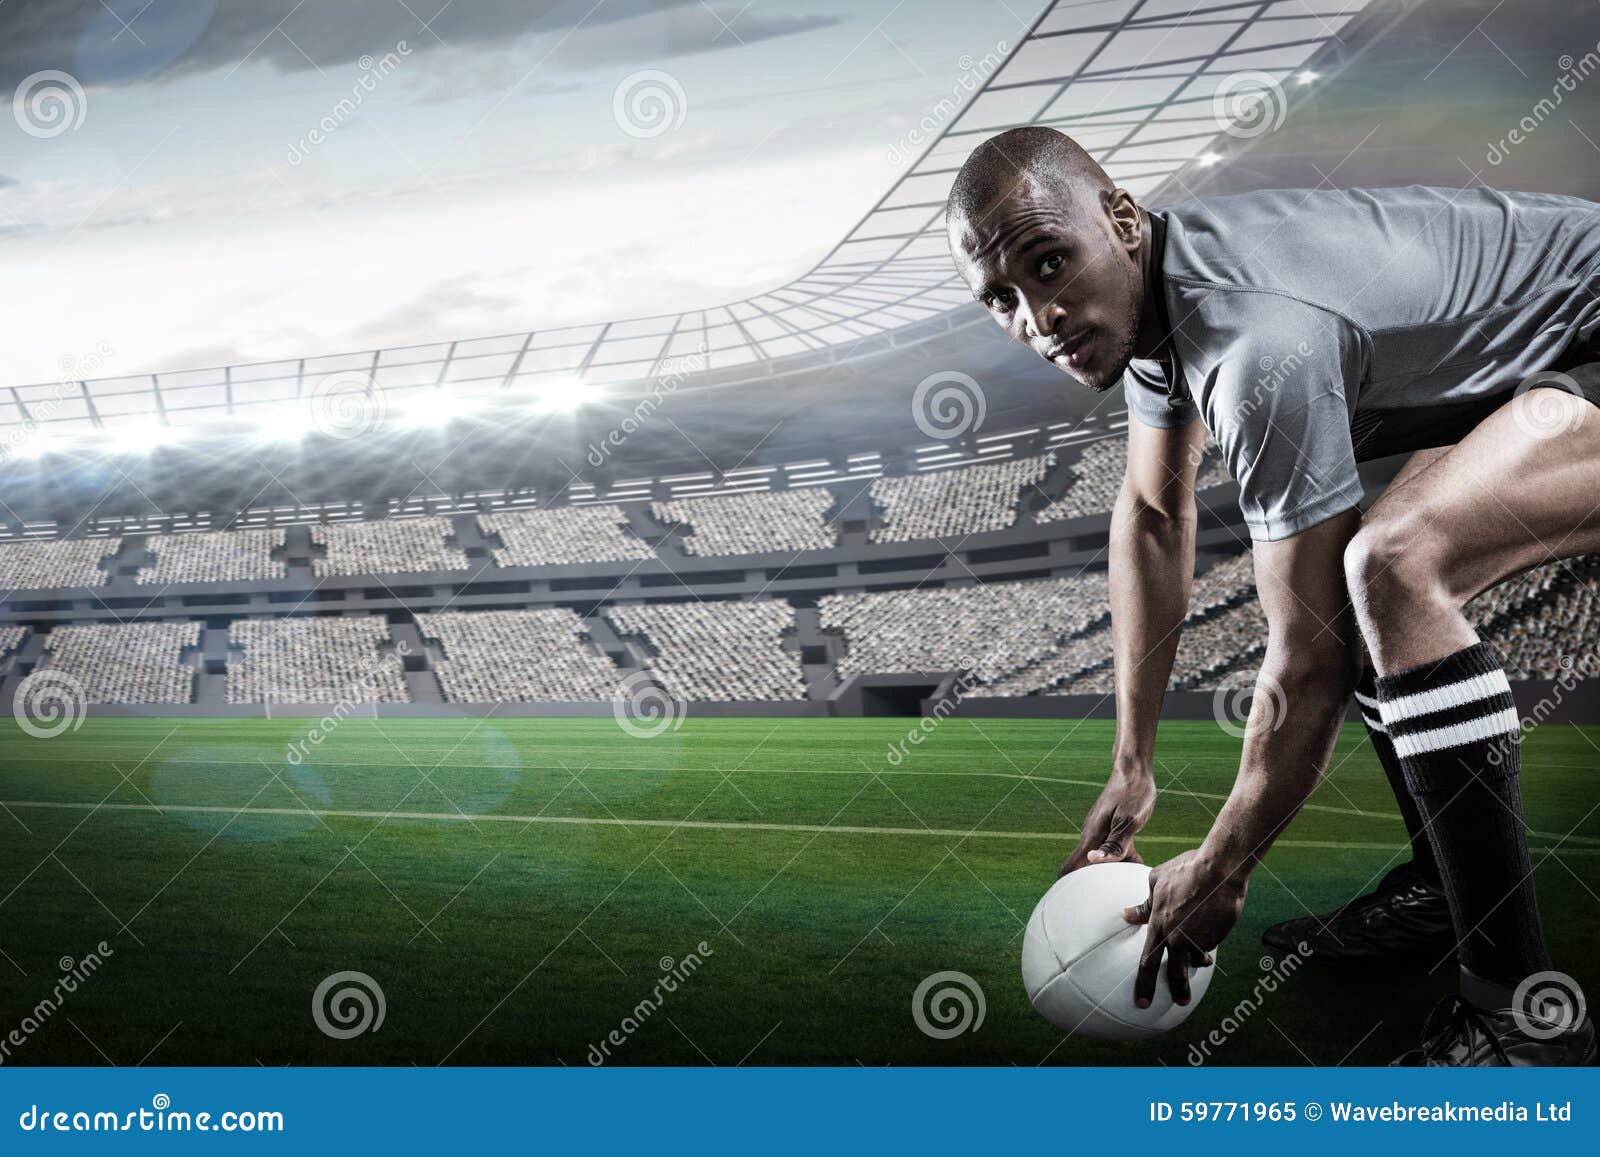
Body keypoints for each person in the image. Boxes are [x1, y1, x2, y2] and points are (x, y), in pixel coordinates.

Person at [945, 125, 1600, 1065]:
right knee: (1370, 572)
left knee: (1389, 565)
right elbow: (1152, 512)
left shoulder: (1254, 345)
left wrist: (1222, 867)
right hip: (1547, 360)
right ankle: (1446, 892)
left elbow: (1313, 655)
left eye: (1050, 264)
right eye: (1001, 297)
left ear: (1121, 220)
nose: (1038, 318)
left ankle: (1526, 1021)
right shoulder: (1150, 302)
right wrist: (1133, 761)